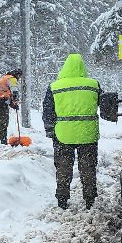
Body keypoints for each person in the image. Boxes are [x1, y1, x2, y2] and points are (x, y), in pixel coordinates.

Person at [41, 53, 101, 209]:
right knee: (88, 168)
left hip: (63, 135)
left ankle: (62, 199)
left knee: (63, 168)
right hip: (88, 134)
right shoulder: (93, 85)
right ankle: (89, 200)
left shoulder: (55, 87)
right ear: (82, 67)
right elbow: (105, 105)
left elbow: (48, 111)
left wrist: (50, 131)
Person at [0, 68, 22, 144]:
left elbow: (6, 95)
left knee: (1, 122)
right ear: (17, 75)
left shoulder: (5, 78)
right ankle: (3, 141)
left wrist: (13, 105)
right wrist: (15, 101)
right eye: (20, 76)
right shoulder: (12, 79)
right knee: (3, 122)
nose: (19, 78)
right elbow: (14, 91)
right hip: (0, 102)